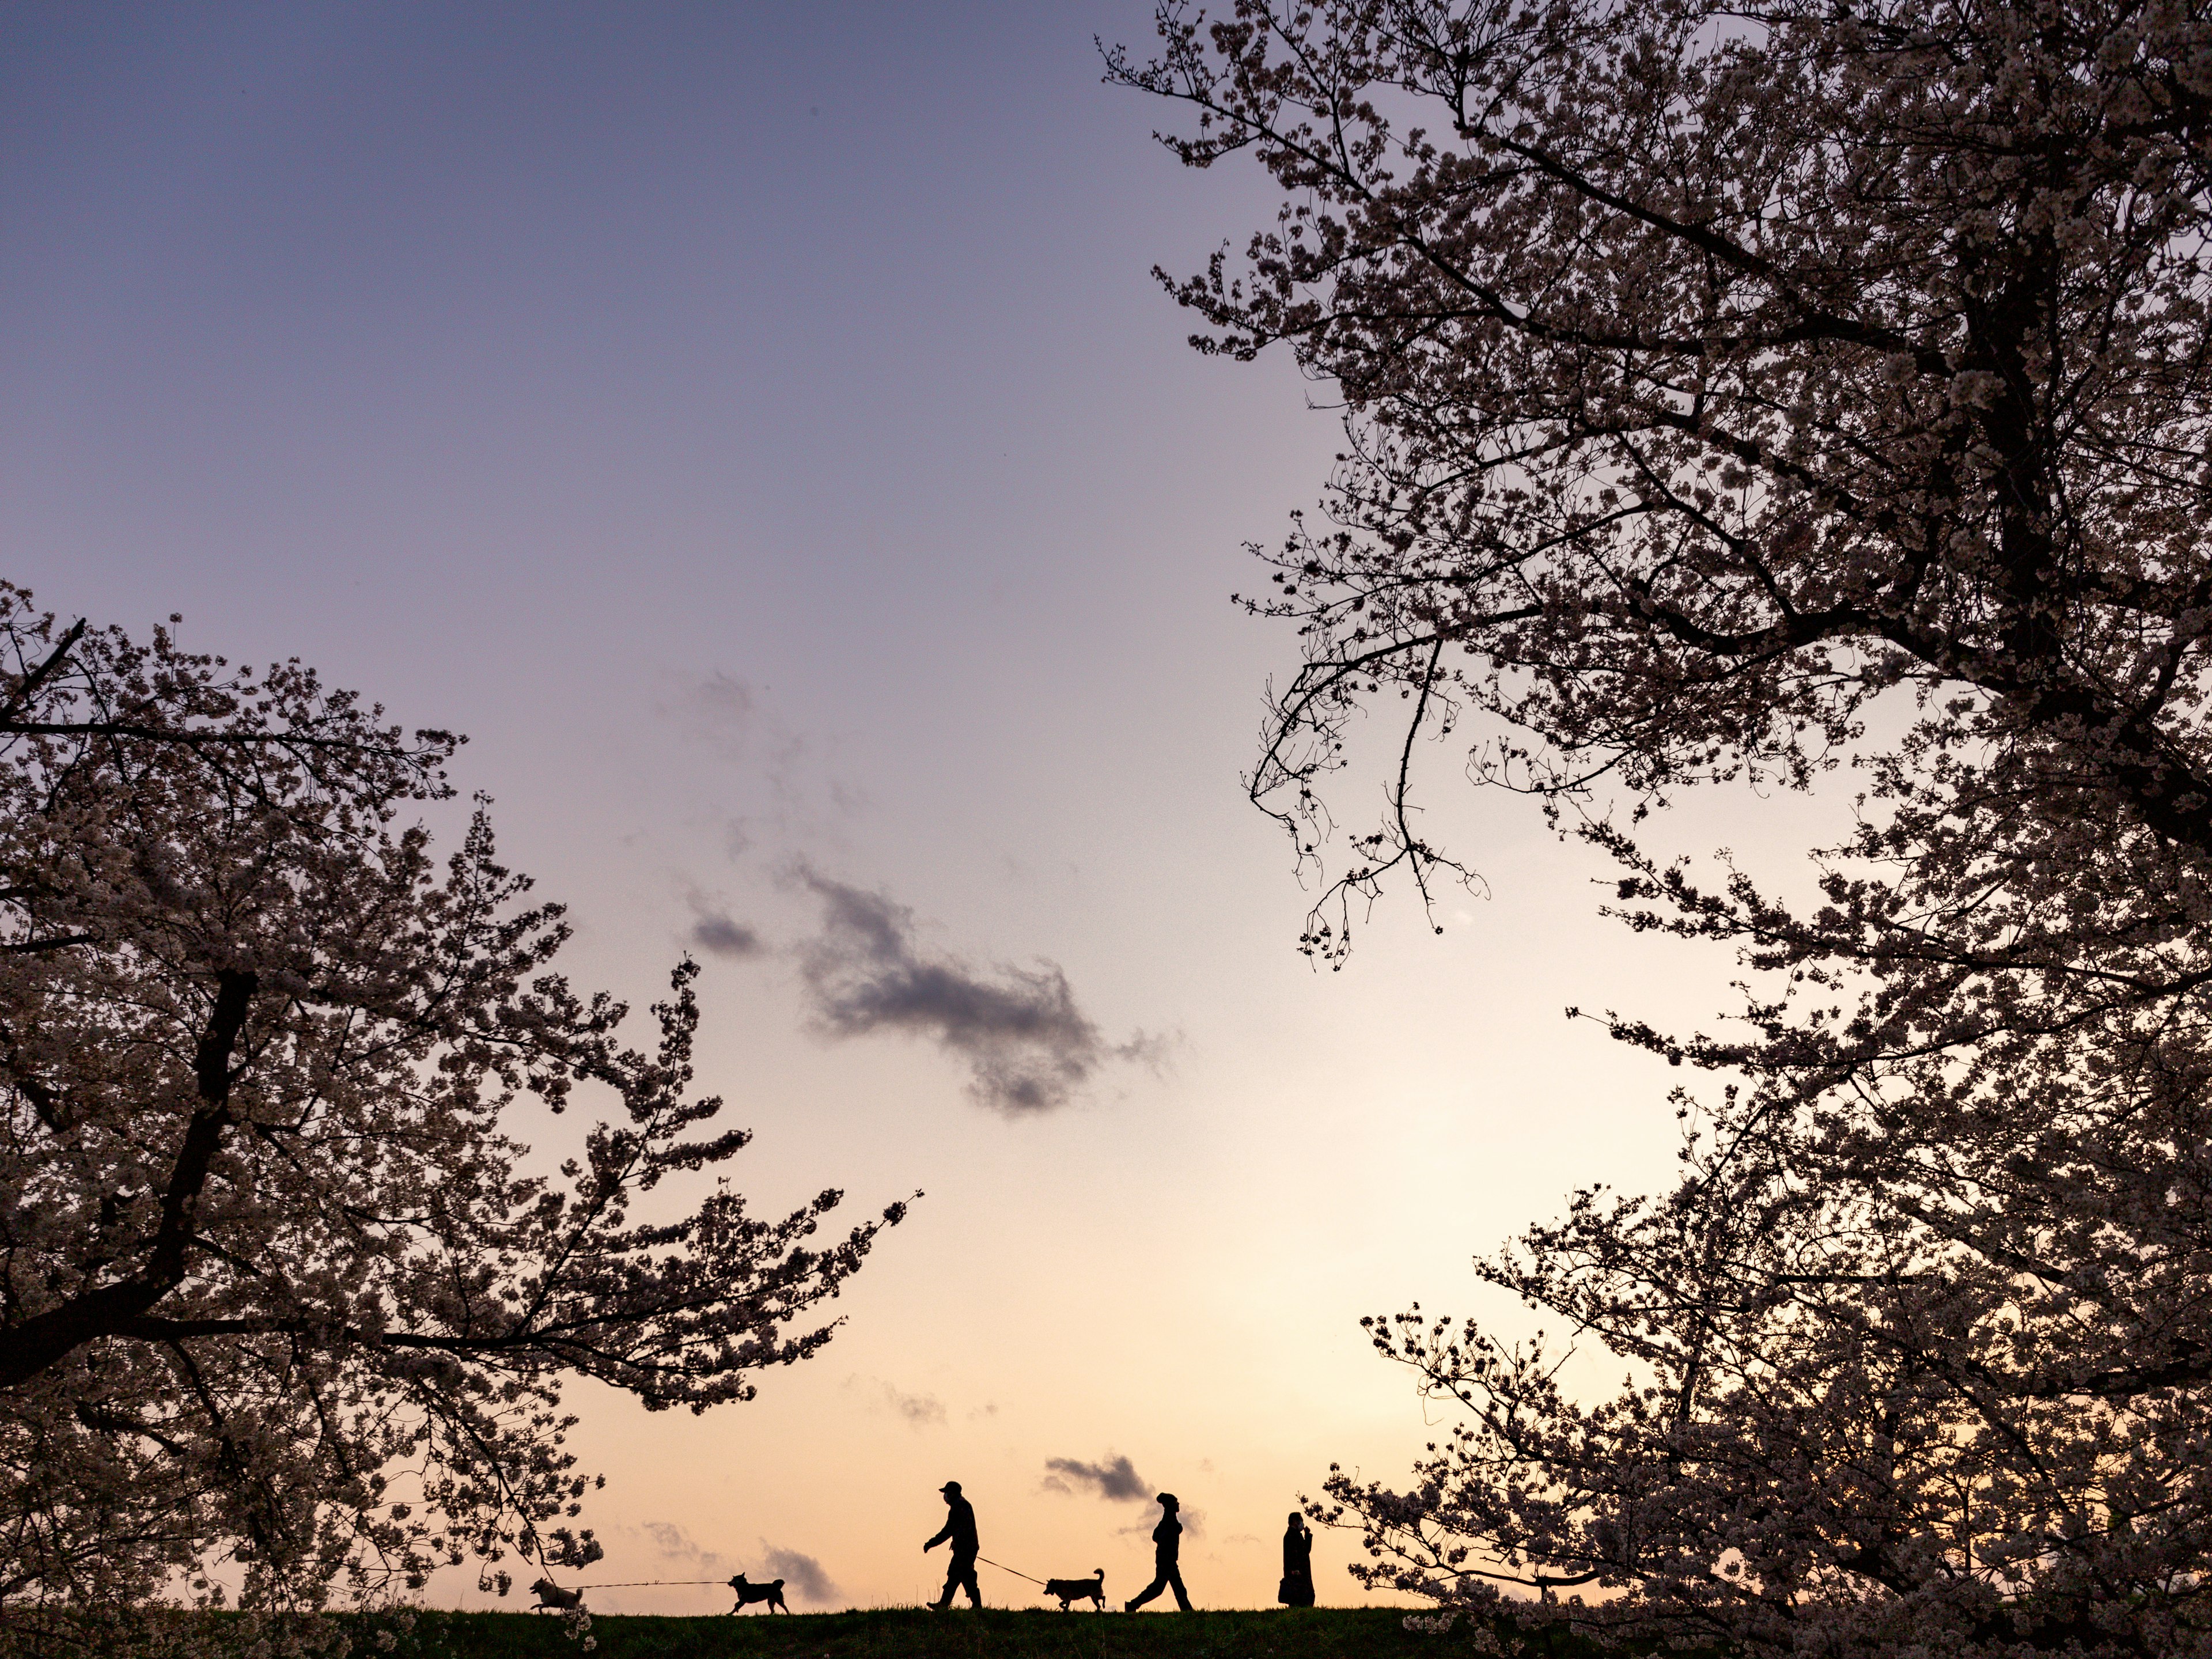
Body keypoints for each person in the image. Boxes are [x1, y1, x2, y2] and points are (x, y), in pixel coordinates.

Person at [1124, 1492, 1194, 1612]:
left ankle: (1187, 1611)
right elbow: (1156, 1536)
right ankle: (1132, 1605)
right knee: (1164, 1588)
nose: (1178, 1504)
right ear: (1171, 1505)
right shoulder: (1168, 1521)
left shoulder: (1169, 1519)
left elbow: (1157, 1536)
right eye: (1176, 1502)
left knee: (1170, 1588)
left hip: (1167, 1559)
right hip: (1166, 1560)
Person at [923, 1479, 983, 1611]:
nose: (945, 1496)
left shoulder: (961, 1506)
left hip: (966, 1549)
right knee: (965, 1576)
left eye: (946, 1492)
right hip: (965, 1547)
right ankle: (976, 1606)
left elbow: (959, 1528)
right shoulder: (958, 1506)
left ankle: (944, 1604)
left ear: (953, 1493)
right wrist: (932, 1543)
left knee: (956, 1574)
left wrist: (956, 1542)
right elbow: (950, 1530)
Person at [1278, 1512, 1315, 1607]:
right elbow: (1291, 1555)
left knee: (1305, 1596)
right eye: (1301, 1520)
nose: (1302, 1523)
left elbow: (1306, 1550)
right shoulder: (1291, 1536)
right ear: (1295, 1521)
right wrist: (1294, 1570)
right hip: (1297, 1573)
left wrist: (1307, 1535)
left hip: (1302, 1571)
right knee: (1300, 1597)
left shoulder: (1297, 1535)